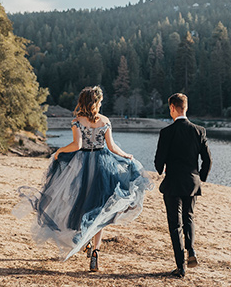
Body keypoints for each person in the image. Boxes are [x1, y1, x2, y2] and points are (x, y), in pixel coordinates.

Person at [13, 86, 151, 272]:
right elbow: (112, 147)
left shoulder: (77, 121)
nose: (101, 104)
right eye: (100, 101)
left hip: (83, 165)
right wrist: (127, 156)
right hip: (103, 164)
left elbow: (76, 145)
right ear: (96, 102)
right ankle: (95, 252)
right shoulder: (105, 121)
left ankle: (85, 243)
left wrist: (60, 151)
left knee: (81, 204)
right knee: (99, 209)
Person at [154, 92, 212, 278]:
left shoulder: (166, 132)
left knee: (175, 225)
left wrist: (160, 169)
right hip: (191, 182)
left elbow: (158, 161)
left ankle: (180, 267)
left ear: (172, 108)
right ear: (185, 108)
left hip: (172, 183)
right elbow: (208, 159)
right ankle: (191, 250)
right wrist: (200, 176)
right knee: (189, 217)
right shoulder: (199, 130)